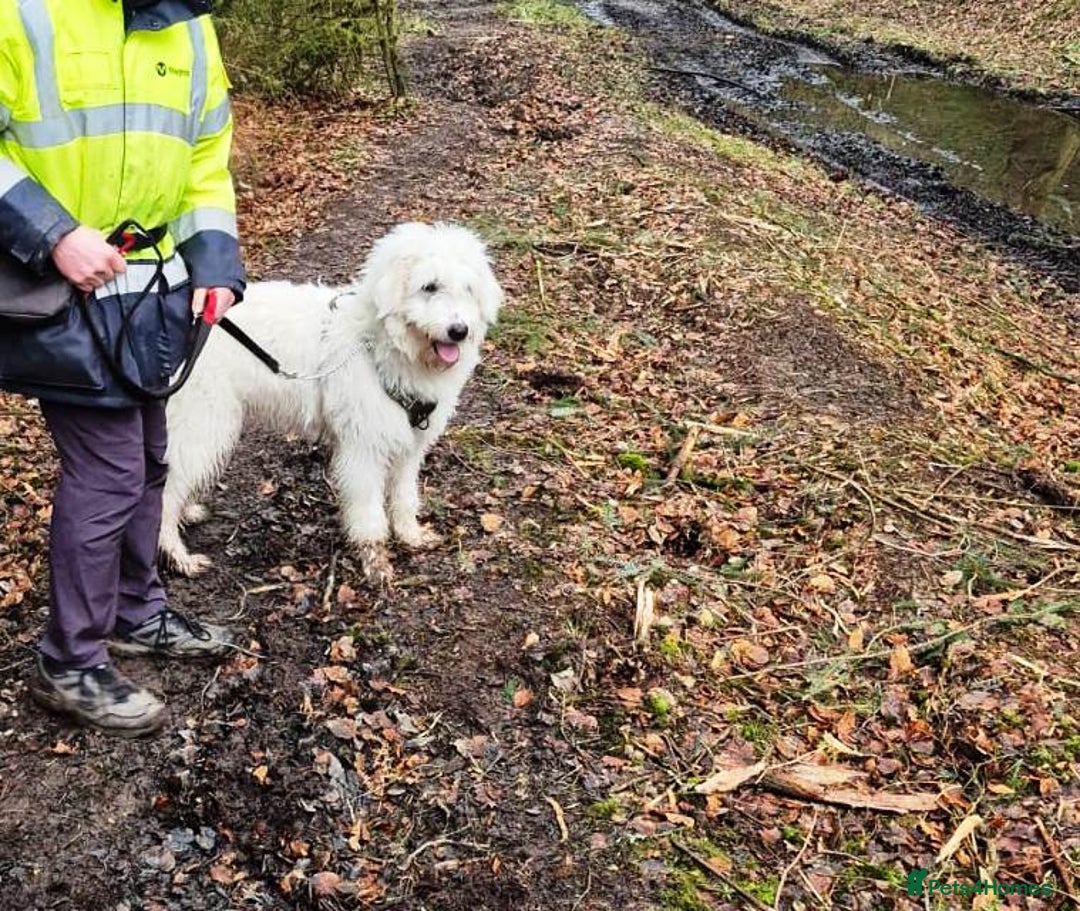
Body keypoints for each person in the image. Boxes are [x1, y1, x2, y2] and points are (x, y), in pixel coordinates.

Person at [0, 0, 246, 735]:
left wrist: (215, 259)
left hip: (150, 297)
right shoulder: (24, 12)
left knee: (147, 459)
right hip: (53, 290)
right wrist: (54, 234)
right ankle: (68, 660)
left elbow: (207, 157)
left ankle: (137, 612)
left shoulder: (189, 25)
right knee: (108, 471)